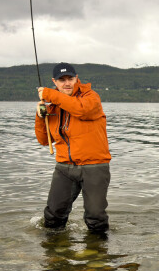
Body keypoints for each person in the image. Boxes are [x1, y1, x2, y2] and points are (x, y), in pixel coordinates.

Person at [35, 63, 111, 234]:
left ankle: (99, 248)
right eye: (62, 80)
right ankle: (55, 248)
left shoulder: (91, 97)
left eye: (70, 78)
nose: (67, 83)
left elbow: (81, 110)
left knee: (95, 218)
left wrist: (50, 94)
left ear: (76, 78)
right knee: (53, 217)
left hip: (94, 166)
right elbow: (43, 140)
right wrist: (40, 117)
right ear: (54, 82)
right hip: (64, 168)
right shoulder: (53, 106)